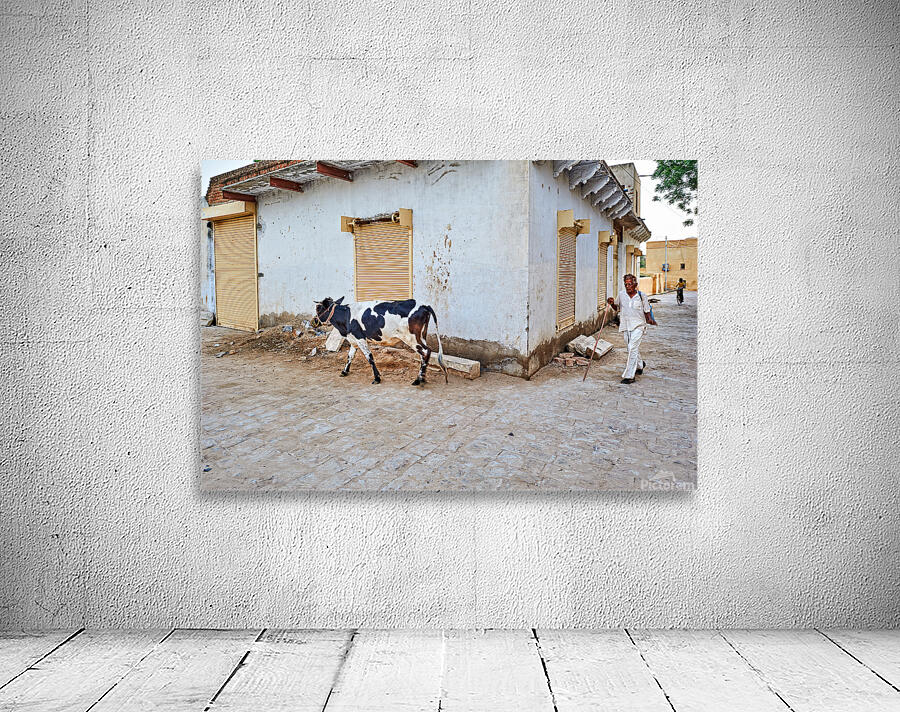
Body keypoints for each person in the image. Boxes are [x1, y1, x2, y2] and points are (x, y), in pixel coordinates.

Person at [607, 274, 656, 384]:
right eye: (626, 284)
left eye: (630, 284)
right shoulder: (621, 294)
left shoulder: (642, 296)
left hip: (639, 325)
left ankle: (629, 375)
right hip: (626, 325)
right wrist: (611, 303)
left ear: (635, 285)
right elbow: (617, 307)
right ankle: (639, 365)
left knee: (632, 347)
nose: (628, 286)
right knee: (631, 348)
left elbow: (647, 311)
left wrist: (650, 320)